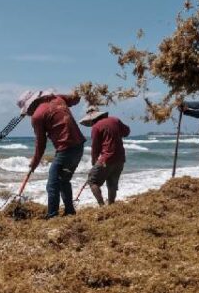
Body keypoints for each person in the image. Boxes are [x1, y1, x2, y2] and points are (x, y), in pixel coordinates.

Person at [18, 89, 85, 218]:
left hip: (66, 149)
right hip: (78, 147)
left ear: (31, 105)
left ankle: (52, 215)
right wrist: (82, 91)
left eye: (27, 111)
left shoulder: (37, 116)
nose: (28, 114)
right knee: (64, 181)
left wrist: (34, 163)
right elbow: (75, 99)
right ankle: (70, 212)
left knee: (52, 185)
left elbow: (41, 144)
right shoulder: (58, 98)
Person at [79, 106, 130, 206]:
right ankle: (111, 205)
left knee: (92, 181)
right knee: (112, 184)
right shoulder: (115, 120)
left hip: (106, 159)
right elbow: (127, 132)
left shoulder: (96, 127)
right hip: (120, 158)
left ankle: (102, 206)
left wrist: (94, 162)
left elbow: (95, 147)